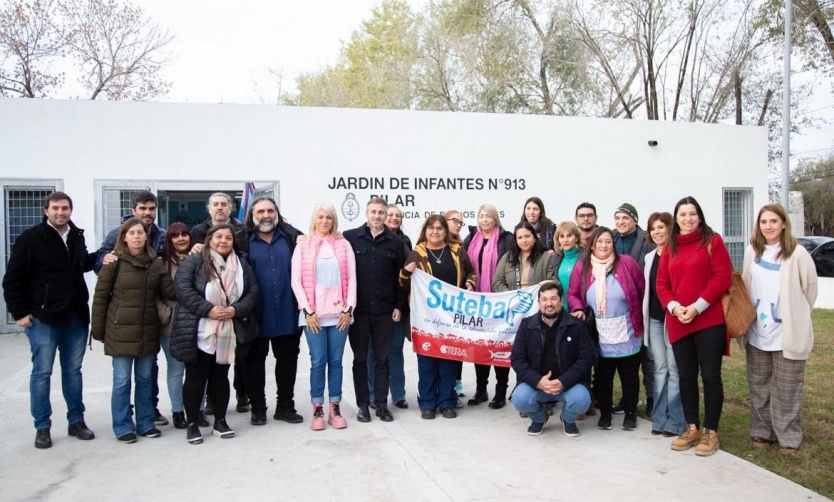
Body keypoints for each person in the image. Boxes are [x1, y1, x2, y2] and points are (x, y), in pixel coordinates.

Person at [3, 191, 97, 449]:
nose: (60, 212)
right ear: (46, 210)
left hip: (75, 316)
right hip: (44, 317)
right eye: (55, 208)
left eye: (65, 208)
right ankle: (42, 426)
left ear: (70, 210)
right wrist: (19, 312)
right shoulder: (31, 238)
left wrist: (104, 256)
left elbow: (83, 265)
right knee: (42, 373)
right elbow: (12, 279)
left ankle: (76, 421)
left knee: (73, 372)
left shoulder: (76, 236)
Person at [656, 196, 732, 457]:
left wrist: (697, 306)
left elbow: (722, 277)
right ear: (676, 219)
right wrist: (675, 308)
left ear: (699, 216)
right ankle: (692, 427)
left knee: (710, 375)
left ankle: (711, 430)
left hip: (708, 320)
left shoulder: (713, 241)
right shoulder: (670, 247)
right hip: (678, 321)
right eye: (682, 214)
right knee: (686, 375)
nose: (687, 219)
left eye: (692, 214)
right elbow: (661, 285)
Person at [171, 224, 260, 444]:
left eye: (228, 238)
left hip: (228, 330)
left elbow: (252, 291)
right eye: (219, 237)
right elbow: (182, 289)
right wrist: (208, 309)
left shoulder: (241, 265)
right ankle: (192, 423)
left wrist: (235, 310)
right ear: (210, 239)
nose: (223, 241)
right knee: (195, 378)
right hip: (199, 329)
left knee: (221, 377)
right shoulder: (194, 261)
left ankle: (220, 421)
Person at [91, 218, 176, 443]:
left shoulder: (156, 264)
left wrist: (189, 265)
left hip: (147, 330)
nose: (137, 236)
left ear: (147, 237)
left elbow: (171, 291)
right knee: (121, 381)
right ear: (124, 237)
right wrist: (98, 331)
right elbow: (100, 299)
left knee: (146, 379)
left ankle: (146, 422)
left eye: (140, 233)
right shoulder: (113, 263)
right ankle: (122, 425)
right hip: (119, 331)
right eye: (132, 233)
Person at [742, 204, 817, 454]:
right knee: (759, 385)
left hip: (786, 333)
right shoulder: (752, 251)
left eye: (773, 221)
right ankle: (762, 431)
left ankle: (788, 436)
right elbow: (745, 285)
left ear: (784, 223)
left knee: (787, 388)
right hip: (757, 331)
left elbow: (809, 290)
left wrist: (794, 313)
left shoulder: (797, 254)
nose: (768, 226)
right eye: (763, 221)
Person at [568, 227, 645, 432]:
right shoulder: (582, 267)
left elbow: (641, 288)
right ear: (592, 245)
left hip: (626, 330)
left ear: (614, 244)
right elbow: (573, 293)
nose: (604, 245)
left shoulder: (627, 263)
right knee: (603, 376)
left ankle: (630, 413)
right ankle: (606, 414)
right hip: (599, 332)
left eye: (608, 242)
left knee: (629, 375)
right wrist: (577, 309)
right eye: (599, 241)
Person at [237, 197, 305, 426]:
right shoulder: (241, 241)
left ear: (277, 213)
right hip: (255, 314)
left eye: (270, 210)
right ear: (252, 215)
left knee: (287, 361)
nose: (266, 215)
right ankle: (258, 409)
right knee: (253, 363)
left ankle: (285, 406)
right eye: (261, 211)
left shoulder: (291, 238)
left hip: (287, 311)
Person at [400, 215, 476, 419]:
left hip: (452, 319)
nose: (435, 232)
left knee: (449, 359)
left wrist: (470, 283)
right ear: (425, 230)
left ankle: (447, 401)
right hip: (426, 320)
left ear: (445, 231)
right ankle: (427, 402)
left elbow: (471, 272)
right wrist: (406, 273)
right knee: (427, 361)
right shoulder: (417, 254)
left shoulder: (457, 251)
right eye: (431, 228)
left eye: (439, 228)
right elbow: (403, 284)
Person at [291, 204, 357, 431]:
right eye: (320, 216)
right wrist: (307, 312)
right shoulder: (303, 246)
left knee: (336, 361)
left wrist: (349, 310)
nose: (324, 221)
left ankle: (334, 407)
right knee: (318, 361)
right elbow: (296, 281)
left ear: (334, 220)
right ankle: (317, 407)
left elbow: (352, 278)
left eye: (329, 217)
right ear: (314, 219)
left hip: (340, 315)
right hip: (314, 317)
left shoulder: (343, 244)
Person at [344, 197, 406, 423]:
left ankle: (381, 405)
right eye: (373, 212)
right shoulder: (350, 238)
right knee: (360, 359)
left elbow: (401, 278)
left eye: (381, 212)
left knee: (382, 360)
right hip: (358, 312)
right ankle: (363, 405)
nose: (377, 216)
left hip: (385, 312)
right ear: (366, 213)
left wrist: (399, 306)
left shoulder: (395, 242)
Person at [511, 282, 595, 436]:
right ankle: (539, 418)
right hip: (537, 384)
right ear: (538, 302)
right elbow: (517, 359)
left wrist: (563, 381)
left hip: (568, 385)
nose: (549, 304)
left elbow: (587, 358)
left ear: (561, 300)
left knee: (582, 400)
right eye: (544, 299)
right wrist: (538, 381)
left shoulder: (577, 326)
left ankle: (568, 419)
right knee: (519, 399)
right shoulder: (527, 326)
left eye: (553, 299)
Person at [191, 192, 248, 414]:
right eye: (215, 205)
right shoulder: (197, 231)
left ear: (231, 208)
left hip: (236, 299)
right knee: (210, 358)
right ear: (209, 209)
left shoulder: (242, 230)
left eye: (224, 204)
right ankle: (211, 400)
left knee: (240, 355)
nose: (220, 208)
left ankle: (241, 394)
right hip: (210, 306)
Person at [156, 222, 209, 430]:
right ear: (169, 240)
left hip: (198, 322)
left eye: (184, 235)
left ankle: (199, 410)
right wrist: (166, 315)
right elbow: (155, 294)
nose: (180, 239)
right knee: (176, 369)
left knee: (198, 371)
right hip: (171, 325)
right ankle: (178, 411)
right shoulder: (161, 263)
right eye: (175, 236)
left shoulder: (201, 258)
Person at [463, 204, 514, 408]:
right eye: (481, 216)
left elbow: (512, 264)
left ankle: (500, 392)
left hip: (499, 300)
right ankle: (481, 390)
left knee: (500, 347)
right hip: (477, 303)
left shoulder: (506, 239)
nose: (484, 220)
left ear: (495, 219)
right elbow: (467, 267)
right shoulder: (470, 239)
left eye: (488, 216)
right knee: (480, 348)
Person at [642, 212, 685, 437]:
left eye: (661, 227)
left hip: (674, 319)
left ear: (670, 229)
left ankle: (676, 421)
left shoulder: (678, 254)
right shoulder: (650, 257)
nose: (657, 232)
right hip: (655, 319)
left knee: (675, 369)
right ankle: (659, 419)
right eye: (653, 228)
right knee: (660, 369)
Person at [367, 204, 413, 410]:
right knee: (371, 352)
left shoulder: (404, 242)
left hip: (396, 307)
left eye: (398, 215)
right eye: (390, 214)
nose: (394, 218)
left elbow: (405, 279)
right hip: (372, 309)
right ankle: (371, 395)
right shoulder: (363, 239)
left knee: (395, 350)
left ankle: (398, 395)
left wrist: (401, 305)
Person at [612, 203, 656, 417]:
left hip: (641, 304)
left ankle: (652, 399)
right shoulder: (609, 238)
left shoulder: (646, 240)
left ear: (635, 221)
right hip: (616, 308)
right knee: (623, 358)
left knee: (647, 357)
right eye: (617, 218)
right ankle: (627, 398)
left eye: (625, 218)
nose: (620, 222)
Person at [493, 222, 555, 293]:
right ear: (516, 241)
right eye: (520, 237)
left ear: (534, 238)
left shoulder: (546, 257)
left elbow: (554, 281)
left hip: (538, 301)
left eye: (527, 236)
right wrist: (510, 295)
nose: (524, 241)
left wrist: (549, 284)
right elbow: (497, 281)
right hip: (513, 302)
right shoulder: (508, 257)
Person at [445, 209, 466, 398]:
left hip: (456, 307)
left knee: (455, 346)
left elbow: (471, 272)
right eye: (455, 220)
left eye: (461, 222)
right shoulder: (425, 246)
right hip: (435, 309)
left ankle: (454, 383)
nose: (458, 224)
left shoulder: (460, 248)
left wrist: (469, 282)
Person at [551, 221, 584, 312]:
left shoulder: (586, 258)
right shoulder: (554, 259)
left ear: (576, 238)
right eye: (562, 236)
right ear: (558, 240)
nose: (565, 240)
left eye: (569, 236)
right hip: (561, 310)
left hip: (580, 309)